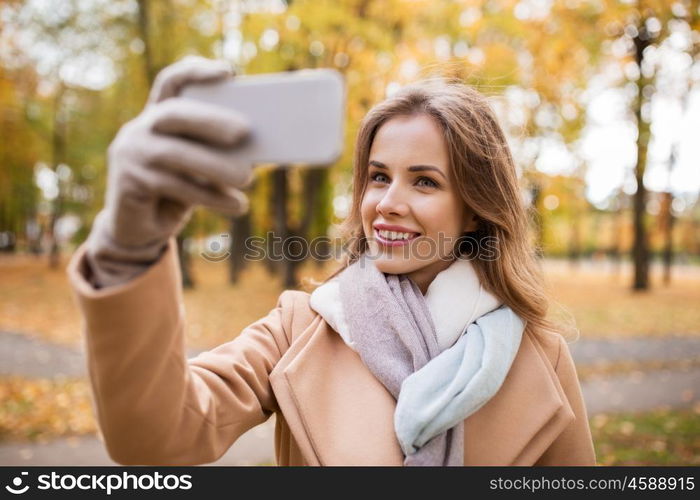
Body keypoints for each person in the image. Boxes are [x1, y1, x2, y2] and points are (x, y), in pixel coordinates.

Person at [67, 56, 596, 466]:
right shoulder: (300, 328)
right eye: (379, 176)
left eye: (425, 181)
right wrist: (129, 246)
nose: (386, 202)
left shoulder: (538, 356)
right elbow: (155, 437)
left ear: (477, 211)